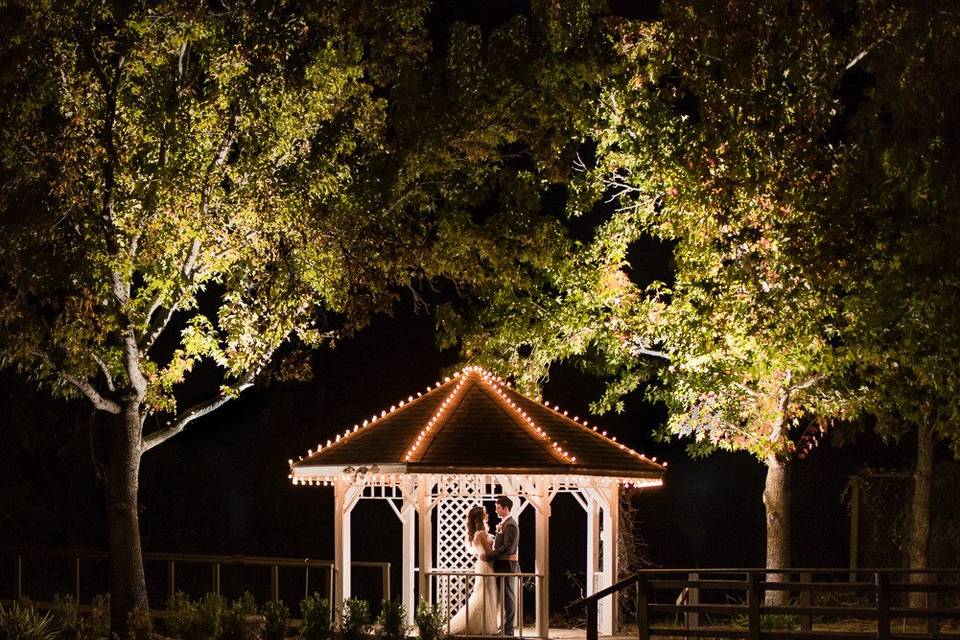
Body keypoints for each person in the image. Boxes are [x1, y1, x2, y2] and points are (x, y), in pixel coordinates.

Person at [448, 505, 499, 635]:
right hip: (486, 566)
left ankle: (486, 624)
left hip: (484, 565)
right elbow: (489, 553)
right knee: (484, 594)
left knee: (487, 594)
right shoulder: (480, 534)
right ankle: (479, 625)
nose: (487, 515)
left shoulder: (480, 533)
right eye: (485, 513)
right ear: (480, 517)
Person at [484, 496, 520, 635]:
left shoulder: (510, 524)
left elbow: (507, 548)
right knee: (503, 597)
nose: (496, 510)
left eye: (498, 508)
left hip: (507, 566)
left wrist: (490, 555)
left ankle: (508, 629)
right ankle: (503, 627)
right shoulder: (504, 524)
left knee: (508, 597)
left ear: (505, 508)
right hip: (501, 566)